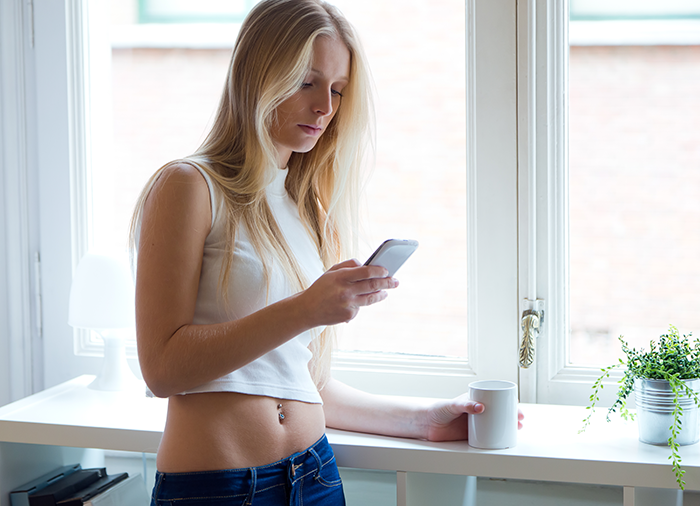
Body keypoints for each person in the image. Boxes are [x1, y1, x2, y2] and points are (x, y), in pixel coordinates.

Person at [131, 1, 523, 504]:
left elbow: (300, 380)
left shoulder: (301, 205)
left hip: (314, 473)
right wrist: (306, 308)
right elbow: (163, 369)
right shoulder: (188, 185)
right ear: (258, 75)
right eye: (307, 82)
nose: (326, 107)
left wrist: (421, 420)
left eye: (337, 90)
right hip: (219, 488)